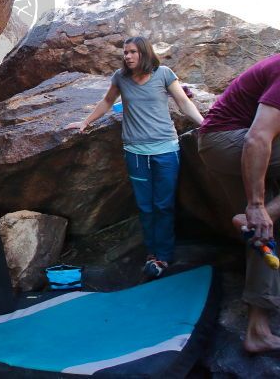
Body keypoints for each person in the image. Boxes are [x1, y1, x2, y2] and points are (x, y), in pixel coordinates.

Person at [67, 36, 204, 278]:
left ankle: (163, 255)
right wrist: (85, 122)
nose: (127, 56)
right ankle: (152, 253)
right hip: (136, 153)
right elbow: (107, 101)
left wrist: (205, 123)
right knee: (145, 207)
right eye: (125, 52)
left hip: (166, 151)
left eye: (132, 52)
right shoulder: (121, 78)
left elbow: (183, 102)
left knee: (163, 205)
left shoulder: (164, 74)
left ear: (144, 53)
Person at [197, 54, 280, 353]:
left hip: (226, 142)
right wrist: (256, 204)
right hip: (227, 140)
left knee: (263, 229)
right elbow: (257, 138)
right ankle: (260, 213)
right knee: (261, 214)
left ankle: (258, 330)